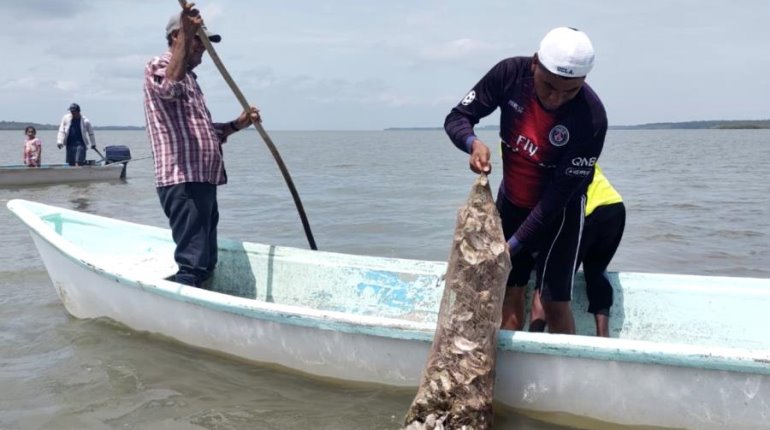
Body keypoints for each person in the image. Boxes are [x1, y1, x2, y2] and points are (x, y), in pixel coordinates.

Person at [444, 27, 607, 334]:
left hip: (560, 215)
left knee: (554, 301)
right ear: (535, 63)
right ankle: (514, 367)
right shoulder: (510, 75)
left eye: (569, 91)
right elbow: (457, 117)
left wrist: (512, 246)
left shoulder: (591, 119)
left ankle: (562, 376)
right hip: (512, 202)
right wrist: (472, 143)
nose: (556, 98)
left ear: (584, 81)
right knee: (509, 289)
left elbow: (555, 200)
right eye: (548, 86)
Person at [143, 5, 260, 289]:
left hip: (203, 180)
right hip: (183, 180)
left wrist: (237, 124)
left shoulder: (192, 81)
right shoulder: (159, 66)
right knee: (193, 263)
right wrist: (187, 31)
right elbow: (169, 88)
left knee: (207, 260)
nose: (204, 51)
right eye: (200, 41)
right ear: (176, 37)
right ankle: (183, 312)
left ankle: (202, 301)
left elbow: (205, 133)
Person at [529, 164, 625, 336]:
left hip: (585, 212)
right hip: (614, 207)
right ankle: (603, 340)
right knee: (596, 271)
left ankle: (531, 341)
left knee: (548, 281)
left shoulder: (535, 154)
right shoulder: (575, 147)